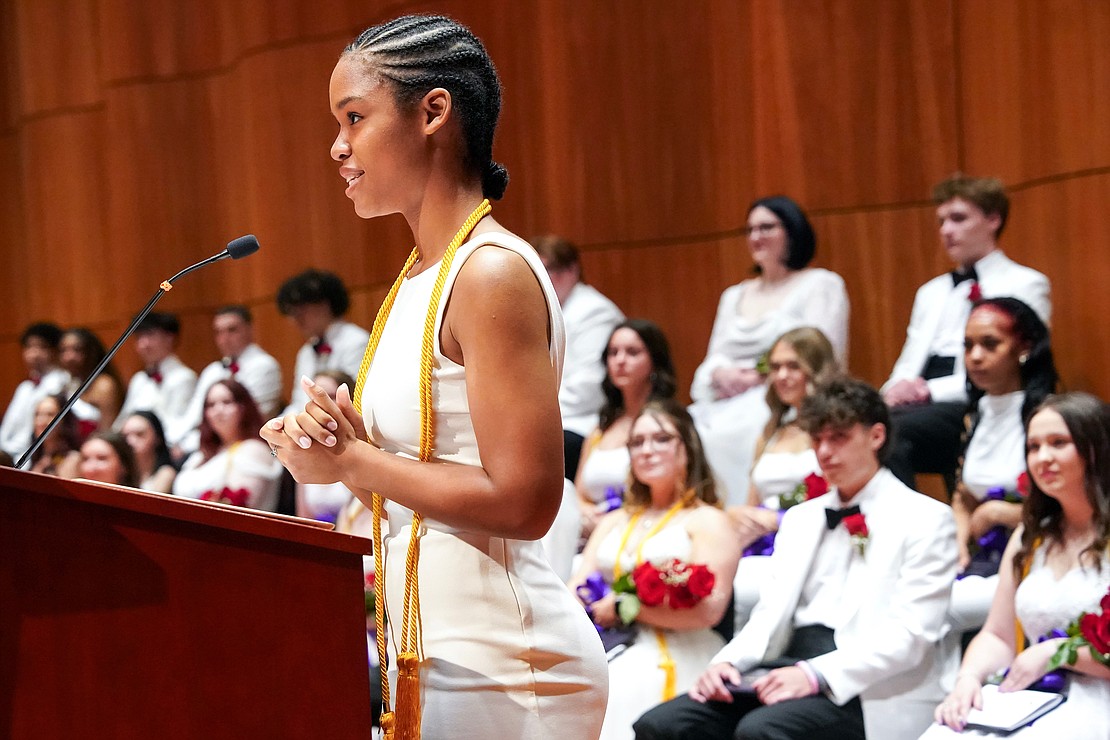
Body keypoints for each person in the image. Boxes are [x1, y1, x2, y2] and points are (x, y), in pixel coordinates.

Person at [261, 15, 607, 738]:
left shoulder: (489, 272)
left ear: (434, 112)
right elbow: (414, 491)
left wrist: (356, 458)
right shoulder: (418, 276)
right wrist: (334, 457)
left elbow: (524, 501)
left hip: (509, 665)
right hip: (434, 651)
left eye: (354, 118)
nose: (337, 145)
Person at [634, 377, 958, 740]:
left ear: (876, 436)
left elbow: (910, 636)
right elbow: (768, 614)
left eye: (838, 437)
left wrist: (814, 674)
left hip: (870, 687)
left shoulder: (926, 518)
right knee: (663, 724)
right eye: (817, 439)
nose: (824, 451)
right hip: (785, 663)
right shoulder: (802, 518)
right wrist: (726, 662)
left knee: (760, 731)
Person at [923, 393, 1110, 739]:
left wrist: (1058, 652)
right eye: (1034, 447)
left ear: (1095, 447)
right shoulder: (1030, 535)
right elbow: (997, 634)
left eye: (1058, 443)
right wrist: (967, 680)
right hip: (1030, 696)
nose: (1043, 458)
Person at [570, 399, 740, 740]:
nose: (646, 450)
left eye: (661, 439)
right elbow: (578, 584)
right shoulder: (616, 520)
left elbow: (708, 611)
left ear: (687, 447)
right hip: (606, 641)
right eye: (637, 442)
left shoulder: (708, 520)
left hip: (676, 645)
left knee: (623, 684)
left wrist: (627, 609)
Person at [883, 174, 1051, 492]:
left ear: (993, 219)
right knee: (864, 425)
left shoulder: (1025, 282)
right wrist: (892, 391)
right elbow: (909, 360)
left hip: (979, 397)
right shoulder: (930, 291)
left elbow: (1022, 362)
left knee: (892, 431)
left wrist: (928, 392)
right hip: (922, 398)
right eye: (941, 221)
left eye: (958, 219)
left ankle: (916, 533)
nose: (946, 230)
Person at [689, 196, 849, 504]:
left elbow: (821, 354)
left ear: (792, 231)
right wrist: (722, 374)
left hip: (780, 396)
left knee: (743, 429)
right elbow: (712, 359)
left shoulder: (821, 284)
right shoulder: (734, 295)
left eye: (766, 227)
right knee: (684, 429)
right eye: (749, 230)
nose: (755, 237)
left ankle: (746, 512)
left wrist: (763, 375)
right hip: (723, 399)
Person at [949, 298, 1058, 631]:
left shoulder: (1049, 416)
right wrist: (958, 543)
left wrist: (1000, 513)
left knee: (935, 611)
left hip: (1038, 556)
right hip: (982, 558)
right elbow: (962, 495)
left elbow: (1068, 507)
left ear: (1023, 347)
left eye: (990, 344)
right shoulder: (974, 415)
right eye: (968, 346)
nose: (975, 357)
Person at [728, 327, 838, 632]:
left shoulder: (833, 432)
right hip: (760, 542)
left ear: (815, 371)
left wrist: (777, 521)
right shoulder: (771, 432)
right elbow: (752, 502)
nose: (782, 376)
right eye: (775, 367)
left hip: (813, 543)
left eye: (793, 366)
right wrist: (738, 515)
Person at [534, 234, 625, 480]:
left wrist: (535, 413)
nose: (543, 280)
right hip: (554, 415)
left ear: (572, 270)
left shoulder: (594, 312)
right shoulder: (548, 310)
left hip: (582, 421)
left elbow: (587, 389)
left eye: (549, 270)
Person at [574, 319, 677, 536]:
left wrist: (614, 521)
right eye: (613, 353)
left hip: (649, 529)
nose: (620, 360)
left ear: (654, 361)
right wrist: (585, 512)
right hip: (592, 534)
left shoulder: (669, 423)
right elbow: (579, 493)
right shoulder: (600, 429)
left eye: (632, 352)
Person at [172, 305, 282, 454]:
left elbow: (245, 419)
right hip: (208, 445)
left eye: (232, 330)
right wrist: (173, 443)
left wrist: (186, 447)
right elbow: (194, 414)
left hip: (247, 446)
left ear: (250, 329)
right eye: (218, 332)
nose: (224, 339)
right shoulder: (212, 370)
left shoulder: (264, 365)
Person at [174, 380, 281, 511]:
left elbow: (237, 510)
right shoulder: (200, 455)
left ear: (243, 407)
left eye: (226, 402)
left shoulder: (254, 449)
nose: (218, 411)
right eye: (211, 405)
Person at [276, 269, 370, 417]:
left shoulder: (356, 341)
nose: (296, 318)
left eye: (302, 310)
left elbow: (354, 397)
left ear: (325, 304)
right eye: (292, 312)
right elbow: (300, 400)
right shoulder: (306, 351)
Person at [115, 312, 197, 446]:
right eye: (139, 337)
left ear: (170, 337)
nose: (143, 344)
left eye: (150, 335)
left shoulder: (184, 378)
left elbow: (179, 427)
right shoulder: (139, 379)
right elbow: (123, 420)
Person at [295, 370, 357, 523]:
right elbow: (303, 516)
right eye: (313, 398)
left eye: (331, 397)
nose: (320, 404)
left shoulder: (360, 445)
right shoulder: (305, 446)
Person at [1, 322, 68, 461]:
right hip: (8, 454)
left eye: (42, 347)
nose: (34, 354)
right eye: (29, 347)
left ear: (55, 351)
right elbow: (7, 427)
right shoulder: (25, 387)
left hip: (31, 456)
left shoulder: (61, 382)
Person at [58, 327, 124, 435]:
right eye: (63, 350)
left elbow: (107, 432)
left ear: (91, 352)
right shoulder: (68, 384)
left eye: (77, 350)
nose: (68, 357)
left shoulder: (104, 385)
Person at [120, 410, 178, 493]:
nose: (130, 441)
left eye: (139, 434)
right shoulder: (121, 472)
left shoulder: (165, 473)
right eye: (125, 436)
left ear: (157, 438)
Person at [28, 394, 81, 478]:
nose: (41, 421)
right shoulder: (37, 459)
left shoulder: (73, 459)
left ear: (64, 420)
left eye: (50, 414)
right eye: (38, 414)